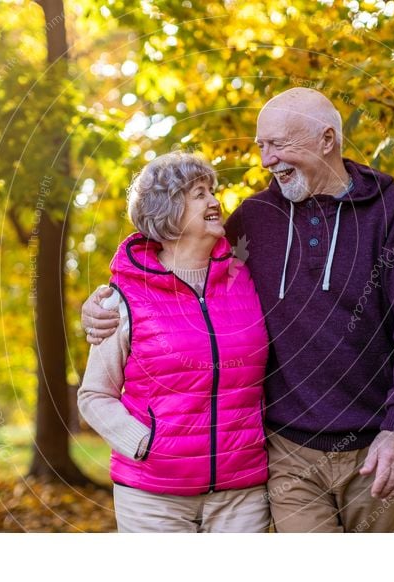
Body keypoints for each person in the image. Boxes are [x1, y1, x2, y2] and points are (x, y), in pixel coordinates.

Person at [83, 88, 394, 533]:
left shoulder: (392, 208)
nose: (267, 160)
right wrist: (103, 302)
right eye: (261, 147)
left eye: (279, 144)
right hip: (286, 449)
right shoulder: (256, 216)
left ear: (327, 140)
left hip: (375, 444)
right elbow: (176, 259)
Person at [77, 152, 271, 533]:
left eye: (212, 191)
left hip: (242, 493)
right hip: (152, 497)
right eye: (200, 193)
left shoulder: (246, 278)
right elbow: (94, 394)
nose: (215, 202)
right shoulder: (125, 296)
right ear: (167, 210)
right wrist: (143, 445)